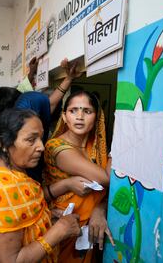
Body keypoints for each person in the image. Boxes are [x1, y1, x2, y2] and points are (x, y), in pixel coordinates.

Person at [0, 108, 81, 262]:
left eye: (41, 139)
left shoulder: (0, 175)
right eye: (31, 140)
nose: (41, 147)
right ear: (4, 143)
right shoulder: (5, 190)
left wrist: (46, 215)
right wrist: (59, 231)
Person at [43, 90, 113, 262]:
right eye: (73, 110)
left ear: (97, 118)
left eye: (87, 111)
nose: (79, 116)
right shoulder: (56, 146)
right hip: (63, 225)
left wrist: (99, 208)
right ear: (64, 117)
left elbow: (110, 188)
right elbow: (106, 179)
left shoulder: (96, 146)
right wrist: (117, 149)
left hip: (92, 227)